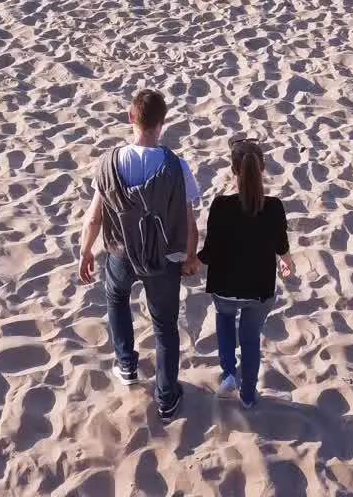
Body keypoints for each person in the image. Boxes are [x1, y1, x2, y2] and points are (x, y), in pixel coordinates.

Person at [78, 89, 201, 421]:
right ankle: (166, 396)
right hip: (163, 259)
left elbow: (94, 216)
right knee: (165, 327)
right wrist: (190, 257)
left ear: (131, 118)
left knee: (116, 298)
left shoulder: (109, 162)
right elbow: (190, 220)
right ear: (162, 123)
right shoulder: (176, 166)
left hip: (121, 253)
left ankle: (126, 365)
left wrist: (86, 250)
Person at [198, 136, 293, 409]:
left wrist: (192, 262)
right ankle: (249, 396)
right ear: (262, 169)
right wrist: (286, 261)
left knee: (225, 320)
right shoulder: (274, 206)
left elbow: (210, 252)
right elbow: (281, 245)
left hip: (225, 288)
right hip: (258, 290)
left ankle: (229, 373)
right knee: (250, 339)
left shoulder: (220, 205)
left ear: (233, 170)